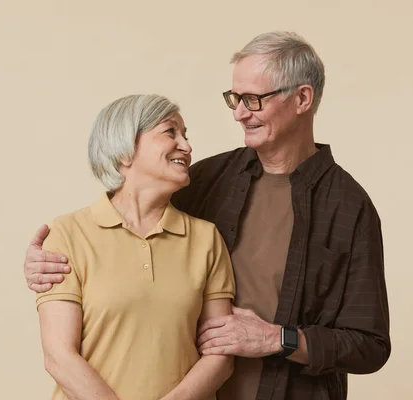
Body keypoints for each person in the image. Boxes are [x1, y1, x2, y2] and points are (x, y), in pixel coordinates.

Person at [25, 31, 391, 400]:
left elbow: (370, 345)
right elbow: (126, 220)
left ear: (302, 98)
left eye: (254, 99)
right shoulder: (206, 179)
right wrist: (48, 262)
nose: (239, 112)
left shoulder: (349, 207)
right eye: (235, 98)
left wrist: (278, 339)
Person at [33, 94, 236, 400]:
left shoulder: (206, 238)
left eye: (186, 135)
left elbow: (220, 356)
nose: (186, 146)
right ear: (125, 150)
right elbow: (59, 356)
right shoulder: (67, 233)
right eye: (170, 132)